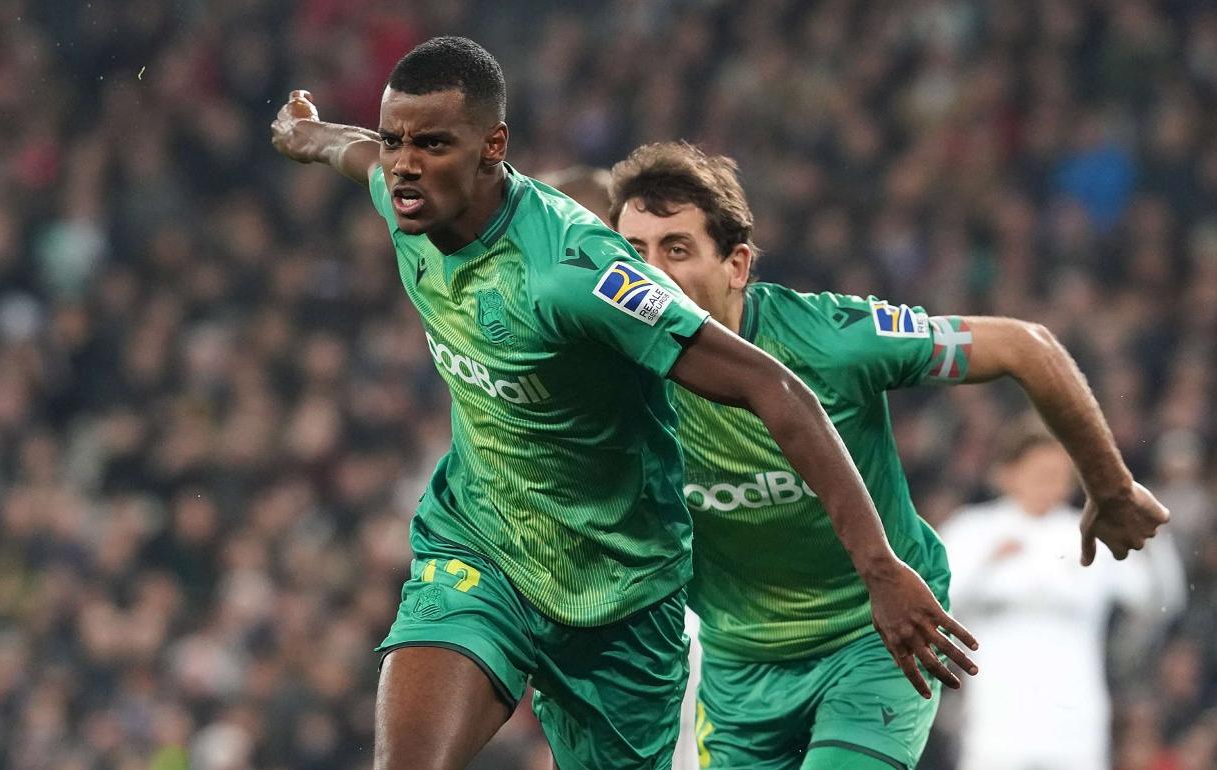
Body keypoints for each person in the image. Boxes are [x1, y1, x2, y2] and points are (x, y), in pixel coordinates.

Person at [270, 38, 972, 770]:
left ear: (492, 147)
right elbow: (354, 153)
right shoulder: (404, 195)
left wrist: (879, 567)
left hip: (622, 599)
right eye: (396, 141)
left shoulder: (578, 273)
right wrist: (307, 135)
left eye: (434, 144)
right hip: (483, 552)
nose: (406, 163)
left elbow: (775, 386)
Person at [607, 141, 1170, 770]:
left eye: (676, 250)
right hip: (739, 668)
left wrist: (1110, 486)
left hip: (878, 636)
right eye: (633, 253)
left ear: (736, 265)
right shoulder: (606, 375)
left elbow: (1026, 347)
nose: (649, 274)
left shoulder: (832, 340)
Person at [941, 423, 1185, 770]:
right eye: (1039, 471)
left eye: (1060, 474)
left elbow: (1159, 602)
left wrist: (1154, 536)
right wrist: (986, 563)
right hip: (996, 720)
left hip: (1075, 722)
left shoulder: (1092, 536)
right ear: (1007, 473)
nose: (1050, 482)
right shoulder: (971, 530)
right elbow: (935, 604)